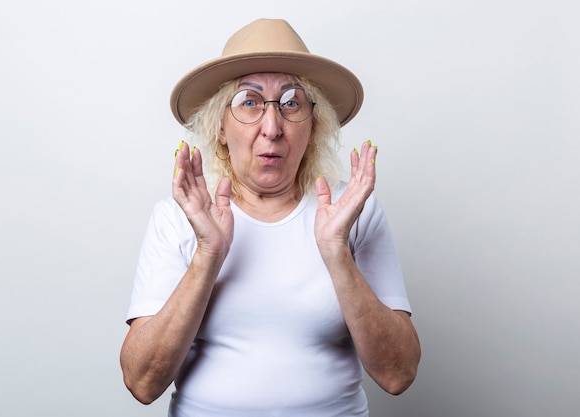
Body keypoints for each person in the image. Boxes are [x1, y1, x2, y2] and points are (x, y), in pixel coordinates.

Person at [120, 18, 421, 417]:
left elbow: (398, 374)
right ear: (220, 127)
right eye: (249, 102)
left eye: (292, 103)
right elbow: (142, 383)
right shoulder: (181, 215)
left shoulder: (352, 210)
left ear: (313, 125)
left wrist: (336, 253)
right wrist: (208, 255)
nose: (272, 128)